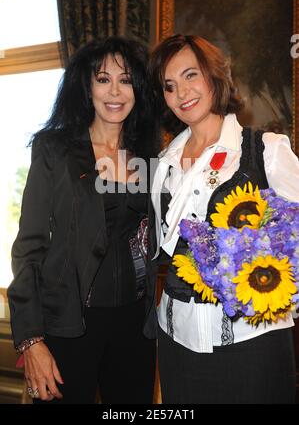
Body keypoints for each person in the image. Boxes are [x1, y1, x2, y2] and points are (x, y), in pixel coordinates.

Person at [144, 34, 299, 404]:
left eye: (190, 75)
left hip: (252, 343)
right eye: (169, 85)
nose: (181, 92)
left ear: (214, 76)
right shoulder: (163, 164)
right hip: (176, 342)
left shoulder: (266, 150)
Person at [8, 36, 160, 404]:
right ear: (86, 85)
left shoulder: (151, 153)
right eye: (103, 79)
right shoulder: (55, 149)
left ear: (138, 88)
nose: (115, 91)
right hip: (69, 325)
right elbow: (29, 246)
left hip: (136, 327)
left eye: (125, 80)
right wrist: (31, 339)